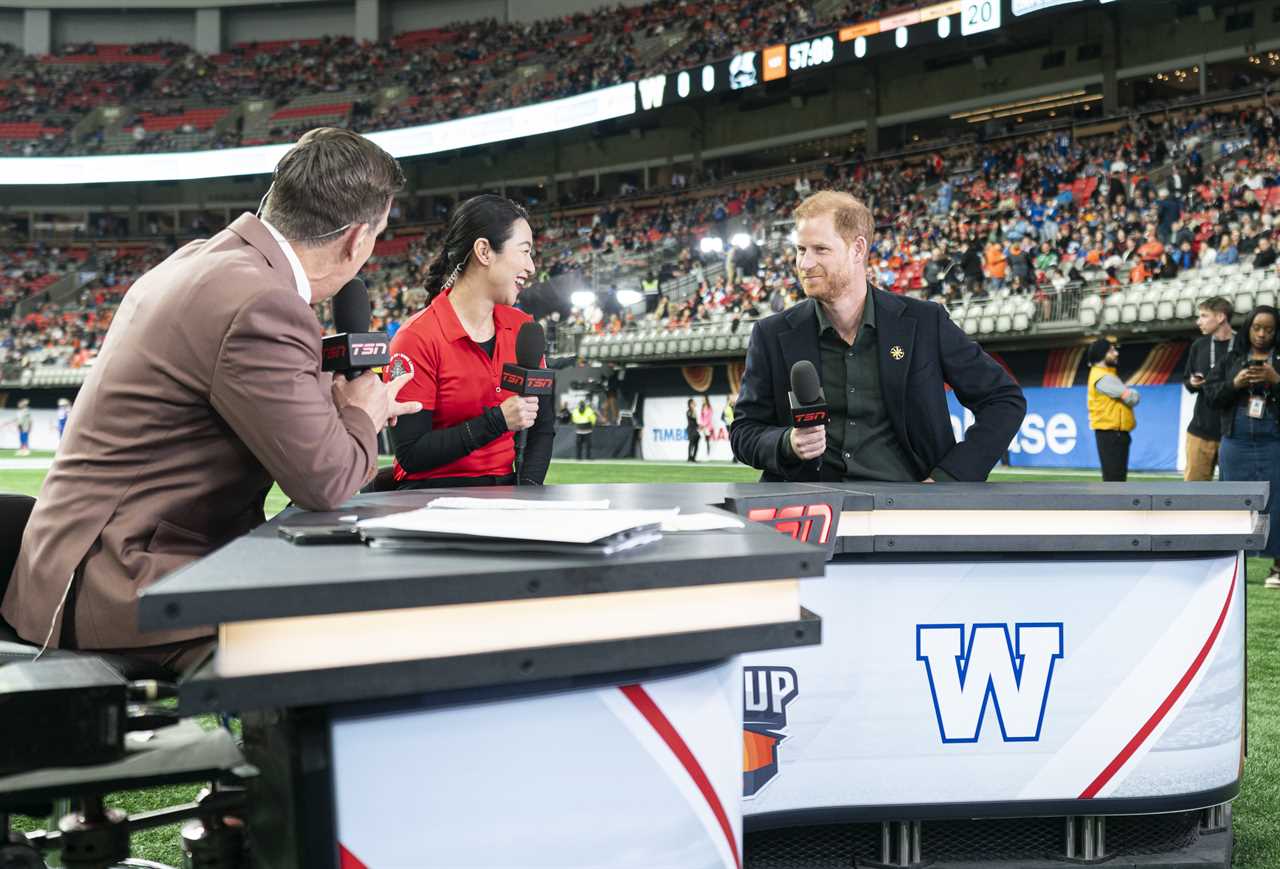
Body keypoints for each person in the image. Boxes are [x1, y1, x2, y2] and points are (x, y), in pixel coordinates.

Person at [1, 128, 420, 674]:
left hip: (74, 564)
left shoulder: (203, 261)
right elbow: (328, 482)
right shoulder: (262, 302)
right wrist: (363, 412)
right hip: (123, 581)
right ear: (357, 240)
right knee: (359, 636)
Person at [730, 191, 1025, 482]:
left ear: (858, 249)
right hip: (811, 510)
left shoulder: (924, 322)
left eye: (820, 249)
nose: (805, 264)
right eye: (801, 250)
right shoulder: (771, 334)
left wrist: (950, 478)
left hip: (905, 510)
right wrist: (787, 443)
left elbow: (1003, 399)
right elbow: (744, 431)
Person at [385, 195, 554, 488]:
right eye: (524, 251)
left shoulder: (523, 328)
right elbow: (411, 453)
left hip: (505, 496)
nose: (531, 267)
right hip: (429, 501)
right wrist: (498, 421)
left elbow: (542, 428)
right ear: (484, 251)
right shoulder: (416, 338)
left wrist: (528, 492)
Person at [1203, 305, 1280, 585]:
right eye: (1257, 328)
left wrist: (1276, 381)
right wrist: (1234, 384)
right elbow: (1210, 397)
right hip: (1235, 441)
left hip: (1274, 441)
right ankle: (1233, 564)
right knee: (1234, 503)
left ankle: (1278, 568)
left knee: (1278, 502)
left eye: (1269, 329)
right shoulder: (1230, 359)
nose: (1262, 334)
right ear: (1248, 329)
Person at [1183, 297, 1234, 480]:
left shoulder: (1241, 346)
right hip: (1200, 431)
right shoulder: (1199, 345)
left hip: (1232, 434)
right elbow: (1187, 380)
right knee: (1193, 495)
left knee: (1234, 494)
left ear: (1220, 317)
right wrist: (1192, 382)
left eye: (1204, 316)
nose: (1199, 321)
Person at [1086, 337, 1140, 482]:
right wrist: (1132, 392)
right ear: (1102, 354)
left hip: (1113, 433)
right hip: (1112, 434)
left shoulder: (1105, 375)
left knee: (1114, 478)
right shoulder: (1104, 377)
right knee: (1115, 480)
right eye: (1111, 350)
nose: (1116, 353)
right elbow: (1133, 398)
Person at [686, 398, 700, 463]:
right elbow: (691, 420)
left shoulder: (694, 411)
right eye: (693, 403)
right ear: (690, 404)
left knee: (696, 444)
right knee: (691, 443)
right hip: (691, 429)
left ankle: (693, 458)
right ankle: (689, 457)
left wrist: (699, 426)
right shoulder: (689, 411)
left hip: (695, 429)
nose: (694, 404)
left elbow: (695, 422)